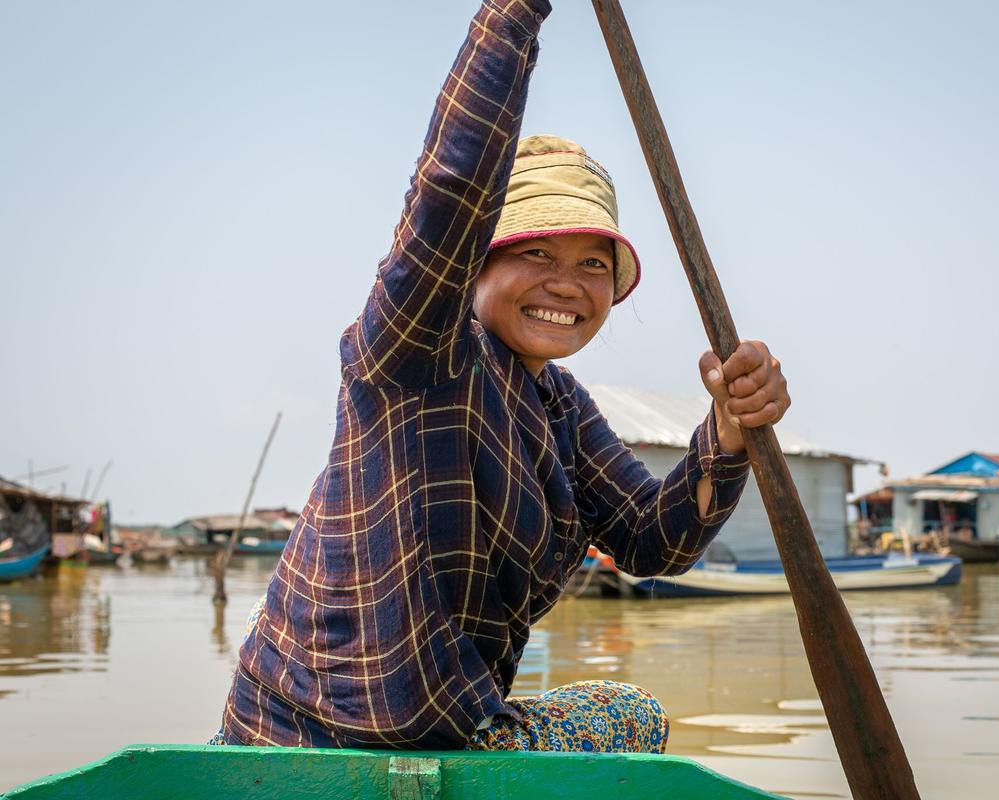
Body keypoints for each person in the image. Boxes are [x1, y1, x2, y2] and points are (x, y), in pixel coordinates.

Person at [215, 0, 790, 753]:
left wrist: (730, 428)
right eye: (536, 254)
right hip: (300, 741)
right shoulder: (418, 345)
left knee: (634, 710)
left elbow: (656, 542)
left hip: (453, 739)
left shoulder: (558, 406)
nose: (566, 285)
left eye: (593, 265)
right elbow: (451, 193)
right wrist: (515, 11)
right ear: (476, 264)